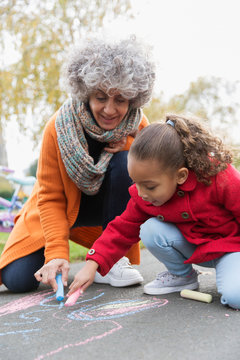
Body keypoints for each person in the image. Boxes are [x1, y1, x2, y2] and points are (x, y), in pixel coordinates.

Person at [0, 35, 156, 293]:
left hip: (107, 210)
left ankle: (113, 261)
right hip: (61, 208)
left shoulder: (139, 127)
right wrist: (57, 254)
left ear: (133, 98)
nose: (109, 109)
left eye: (120, 99)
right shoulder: (58, 127)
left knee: (126, 161)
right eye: (100, 97)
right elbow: (49, 197)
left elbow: (154, 173)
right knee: (18, 280)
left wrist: (130, 146)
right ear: (86, 93)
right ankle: (55, 256)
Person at [68, 114, 240, 310]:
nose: (142, 193)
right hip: (193, 247)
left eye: (149, 186)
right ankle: (182, 276)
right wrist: (92, 265)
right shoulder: (144, 196)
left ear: (181, 175)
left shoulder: (217, 175)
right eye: (136, 183)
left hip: (230, 249)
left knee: (235, 298)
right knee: (151, 229)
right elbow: (121, 230)